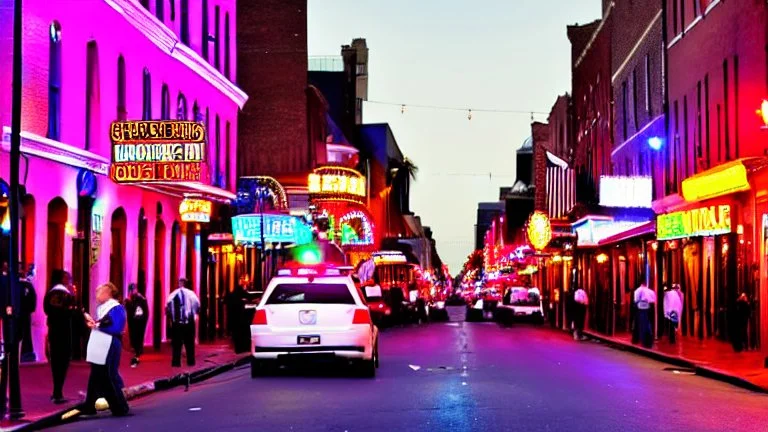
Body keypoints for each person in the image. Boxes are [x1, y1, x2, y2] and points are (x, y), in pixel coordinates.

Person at [80, 282, 129, 417]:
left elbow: (116, 327)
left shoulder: (116, 307)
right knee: (96, 375)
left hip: (108, 344)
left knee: (106, 375)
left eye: (99, 292)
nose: (96, 295)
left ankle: (119, 407)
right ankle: (90, 405)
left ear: (108, 293)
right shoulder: (103, 308)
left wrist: (97, 326)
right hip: (101, 344)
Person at [43, 270, 75, 404]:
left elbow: (46, 309)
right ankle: (58, 392)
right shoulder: (65, 294)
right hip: (64, 331)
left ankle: (56, 391)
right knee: (62, 362)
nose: (68, 280)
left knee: (55, 361)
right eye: (66, 277)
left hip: (53, 330)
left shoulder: (49, 293)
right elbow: (72, 311)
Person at [166, 278, 200, 367]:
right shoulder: (189, 294)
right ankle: (186, 362)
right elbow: (197, 304)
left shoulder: (175, 294)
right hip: (183, 322)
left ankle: (179, 362)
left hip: (181, 323)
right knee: (185, 345)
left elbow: (167, 305)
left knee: (182, 345)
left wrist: (171, 317)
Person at [125, 283, 148, 367]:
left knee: (139, 335)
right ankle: (136, 348)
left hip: (140, 321)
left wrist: (143, 320)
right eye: (131, 290)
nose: (132, 291)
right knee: (134, 336)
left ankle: (138, 350)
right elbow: (129, 310)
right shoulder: (130, 299)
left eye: (133, 289)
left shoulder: (141, 298)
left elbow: (145, 311)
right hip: (133, 321)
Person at [226, 280, 250, 354]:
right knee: (239, 333)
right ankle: (240, 348)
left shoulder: (231, 295)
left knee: (235, 334)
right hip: (239, 318)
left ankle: (238, 349)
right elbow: (248, 296)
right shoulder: (239, 299)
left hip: (232, 318)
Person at [19, 265, 37, 362]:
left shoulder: (27, 285)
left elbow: (33, 298)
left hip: (23, 313)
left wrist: (31, 310)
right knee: (22, 333)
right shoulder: (25, 285)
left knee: (25, 333)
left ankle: (25, 352)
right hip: (21, 313)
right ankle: (22, 352)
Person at [633, 283, 657, 349]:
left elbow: (635, 300)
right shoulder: (651, 291)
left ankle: (643, 340)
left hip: (641, 308)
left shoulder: (637, 290)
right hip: (649, 307)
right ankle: (649, 340)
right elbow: (654, 300)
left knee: (641, 324)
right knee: (648, 324)